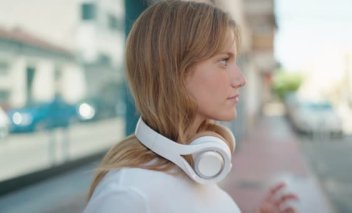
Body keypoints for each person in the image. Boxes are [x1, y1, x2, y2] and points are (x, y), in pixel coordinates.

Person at [84, 1, 298, 212]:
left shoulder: (194, 164)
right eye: (224, 61)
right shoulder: (127, 195)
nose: (241, 79)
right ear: (174, 72)